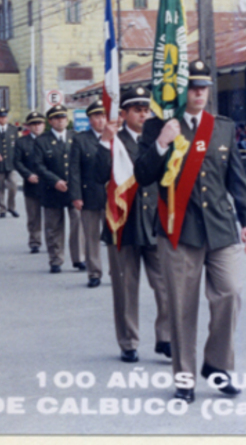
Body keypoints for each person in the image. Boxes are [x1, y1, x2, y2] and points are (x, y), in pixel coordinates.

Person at [134, 60, 246, 404]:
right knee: (182, 306)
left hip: (219, 227)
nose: (199, 92)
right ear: (181, 91)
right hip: (178, 229)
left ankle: (217, 366)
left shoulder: (223, 128)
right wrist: (161, 142)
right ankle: (184, 378)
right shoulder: (159, 126)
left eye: (204, 87)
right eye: (192, 87)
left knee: (230, 293)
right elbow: (143, 176)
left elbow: (238, 179)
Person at [95, 86, 170, 364]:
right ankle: (128, 341)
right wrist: (105, 141)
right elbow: (99, 174)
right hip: (124, 222)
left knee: (166, 285)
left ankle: (166, 338)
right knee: (126, 287)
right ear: (123, 113)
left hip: (155, 222)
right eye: (136, 110)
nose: (142, 114)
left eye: (145, 109)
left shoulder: (158, 138)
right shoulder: (113, 138)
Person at [33, 104, 85, 274]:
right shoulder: (41, 140)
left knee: (77, 224)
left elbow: (81, 163)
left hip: (73, 188)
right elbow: (38, 165)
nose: (60, 121)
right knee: (53, 226)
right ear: (50, 121)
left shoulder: (76, 137)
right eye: (56, 118)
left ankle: (79, 258)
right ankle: (56, 260)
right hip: (51, 189)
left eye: (63, 117)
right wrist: (54, 180)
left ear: (67, 119)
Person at [70, 101, 107, 288]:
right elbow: (74, 170)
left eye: (103, 116)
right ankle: (94, 273)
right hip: (90, 194)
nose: (101, 120)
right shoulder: (81, 140)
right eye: (96, 117)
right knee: (91, 237)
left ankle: (119, 271)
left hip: (113, 197)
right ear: (90, 120)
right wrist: (76, 195)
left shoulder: (117, 137)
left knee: (116, 238)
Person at [14, 111, 46, 253]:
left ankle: (52, 241)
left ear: (44, 125)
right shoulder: (22, 142)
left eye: (39, 123)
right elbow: (17, 162)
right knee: (33, 216)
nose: (37, 127)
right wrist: (27, 175)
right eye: (33, 124)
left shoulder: (50, 139)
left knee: (52, 218)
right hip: (32, 184)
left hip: (49, 185)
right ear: (28, 126)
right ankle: (35, 241)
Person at [0, 107, 20, 218]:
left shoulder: (13, 130)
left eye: (4, 117)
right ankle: (2, 209)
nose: (3, 119)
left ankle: (11, 207)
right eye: (1, 117)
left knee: (13, 185)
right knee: (0, 188)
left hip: (11, 163)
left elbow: (18, 146)